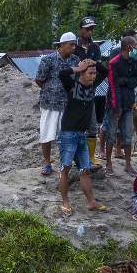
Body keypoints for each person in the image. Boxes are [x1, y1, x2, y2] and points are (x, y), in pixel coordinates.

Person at [56, 56, 105, 215]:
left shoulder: (92, 86)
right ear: (82, 74)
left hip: (82, 135)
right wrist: (78, 68)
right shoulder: (72, 85)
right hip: (68, 134)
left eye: (93, 74)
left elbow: (105, 71)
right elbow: (62, 74)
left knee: (85, 170)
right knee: (65, 168)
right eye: (90, 73)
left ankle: (91, 201)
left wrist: (93, 62)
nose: (93, 76)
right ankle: (65, 202)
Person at [34, 33, 78, 177]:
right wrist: (52, 89)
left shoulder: (75, 60)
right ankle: (47, 163)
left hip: (68, 104)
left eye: (74, 44)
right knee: (47, 134)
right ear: (62, 45)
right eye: (71, 44)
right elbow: (39, 80)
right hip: (50, 103)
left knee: (65, 136)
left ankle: (64, 164)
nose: (73, 47)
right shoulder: (48, 60)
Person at [103, 32, 137, 176]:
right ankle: (108, 163)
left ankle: (128, 164)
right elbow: (113, 86)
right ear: (127, 48)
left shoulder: (135, 61)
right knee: (111, 135)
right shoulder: (114, 63)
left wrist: (125, 81)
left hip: (129, 102)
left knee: (127, 136)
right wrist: (116, 107)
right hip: (115, 104)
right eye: (135, 47)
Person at [77, 16, 108, 170]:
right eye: (87, 28)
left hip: (89, 91)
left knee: (92, 125)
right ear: (81, 29)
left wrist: (93, 83)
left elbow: (103, 70)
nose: (90, 31)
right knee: (75, 125)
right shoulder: (73, 46)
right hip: (75, 91)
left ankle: (90, 156)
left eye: (92, 28)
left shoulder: (95, 48)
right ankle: (76, 156)